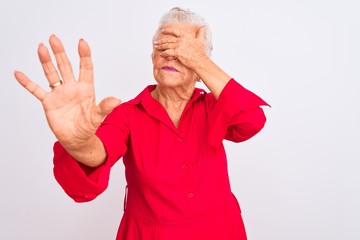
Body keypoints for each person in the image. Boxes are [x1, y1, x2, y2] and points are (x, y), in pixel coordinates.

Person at [14, 7, 269, 240]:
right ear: (152, 58)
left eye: (183, 53)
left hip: (220, 231)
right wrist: (77, 143)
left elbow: (252, 121)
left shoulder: (214, 106)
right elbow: (96, 153)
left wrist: (201, 61)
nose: (170, 57)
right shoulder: (127, 115)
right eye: (163, 49)